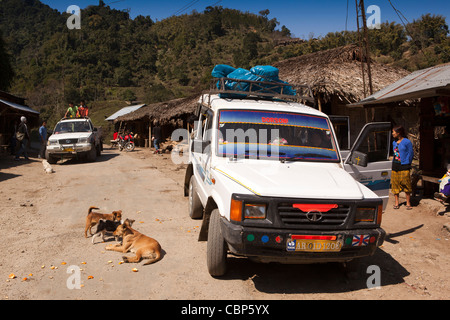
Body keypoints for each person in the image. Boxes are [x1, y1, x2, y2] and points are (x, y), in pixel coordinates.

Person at [391, 125, 414, 210]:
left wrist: (407, 163)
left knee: (406, 184)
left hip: (404, 166)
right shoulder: (394, 142)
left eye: (393, 132)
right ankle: (397, 203)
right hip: (395, 166)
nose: (392, 133)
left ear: (398, 132)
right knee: (395, 185)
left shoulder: (407, 142)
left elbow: (411, 154)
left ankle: (408, 203)